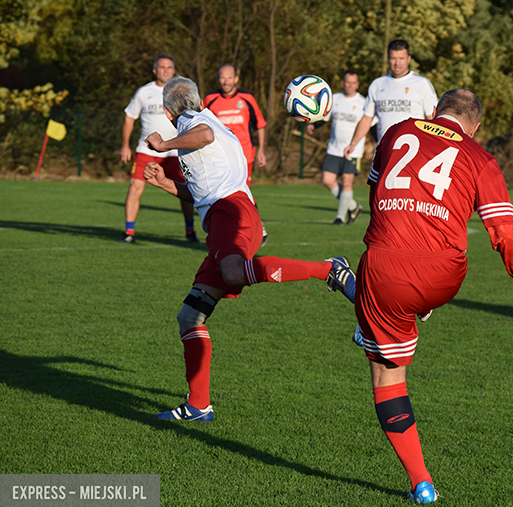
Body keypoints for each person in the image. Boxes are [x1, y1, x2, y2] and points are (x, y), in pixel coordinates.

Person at [352, 89, 513, 504]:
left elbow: (375, 192)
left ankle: (422, 483)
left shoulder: (396, 132)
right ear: (475, 126)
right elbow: (507, 232)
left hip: (384, 267)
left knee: (387, 374)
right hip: (444, 275)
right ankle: (408, 309)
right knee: (405, 300)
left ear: (434, 112)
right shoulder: (479, 157)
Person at [142, 76, 356, 421]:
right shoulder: (208, 118)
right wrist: (165, 182)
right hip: (226, 215)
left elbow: (204, 137)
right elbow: (202, 190)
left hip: (232, 213)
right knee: (190, 316)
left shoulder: (193, 124)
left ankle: (329, 269)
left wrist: (165, 145)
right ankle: (198, 406)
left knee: (231, 271)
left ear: (168, 112)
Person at [118, 53, 198, 244]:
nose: (165, 70)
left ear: (174, 70)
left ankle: (190, 231)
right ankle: (129, 232)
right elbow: (129, 118)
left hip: (175, 151)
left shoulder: (181, 92)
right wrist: (124, 145)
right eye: (162, 67)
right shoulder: (144, 92)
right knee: (135, 187)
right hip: (147, 150)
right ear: (155, 70)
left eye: (169, 67)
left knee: (185, 191)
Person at [203, 63, 268, 245]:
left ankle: (255, 227)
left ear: (236, 79)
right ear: (218, 78)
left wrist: (261, 150)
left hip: (244, 155)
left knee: (243, 191)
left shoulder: (247, 98)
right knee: (221, 195)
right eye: (223, 78)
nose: (226, 81)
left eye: (230, 78)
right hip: (220, 157)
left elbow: (260, 124)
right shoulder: (210, 100)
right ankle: (230, 230)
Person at [343, 39, 437, 160]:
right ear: (388, 59)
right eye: (393, 58)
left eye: (401, 58)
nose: (397, 63)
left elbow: (432, 118)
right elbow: (367, 118)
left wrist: (433, 148)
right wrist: (353, 144)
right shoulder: (377, 84)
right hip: (384, 152)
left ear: (409, 59)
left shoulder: (422, 83)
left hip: (412, 154)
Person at [307, 70, 376, 225]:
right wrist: (313, 125)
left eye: (353, 83)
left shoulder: (363, 102)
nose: (350, 85)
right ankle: (353, 206)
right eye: (347, 82)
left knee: (346, 182)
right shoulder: (334, 99)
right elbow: (324, 118)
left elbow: (371, 124)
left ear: (357, 84)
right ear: (342, 83)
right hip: (334, 148)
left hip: (353, 150)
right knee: (327, 179)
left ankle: (339, 217)